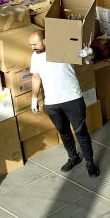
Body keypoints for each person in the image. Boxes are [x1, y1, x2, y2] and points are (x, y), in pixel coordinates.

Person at [29, 29, 99, 177]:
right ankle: (73, 157)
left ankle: (90, 163)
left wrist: (89, 51)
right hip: (52, 103)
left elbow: (90, 57)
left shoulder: (64, 47)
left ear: (45, 41)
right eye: (31, 45)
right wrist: (34, 98)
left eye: (35, 44)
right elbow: (36, 77)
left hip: (72, 98)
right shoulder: (35, 57)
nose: (32, 48)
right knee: (64, 133)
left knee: (81, 133)